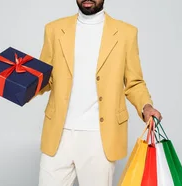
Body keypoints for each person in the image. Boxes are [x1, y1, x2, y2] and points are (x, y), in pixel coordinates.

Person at [35, 0, 162, 185]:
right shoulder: (54, 30)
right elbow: (45, 78)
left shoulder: (126, 33)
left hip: (100, 138)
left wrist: (146, 106)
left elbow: (134, 82)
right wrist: (19, 83)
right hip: (58, 134)